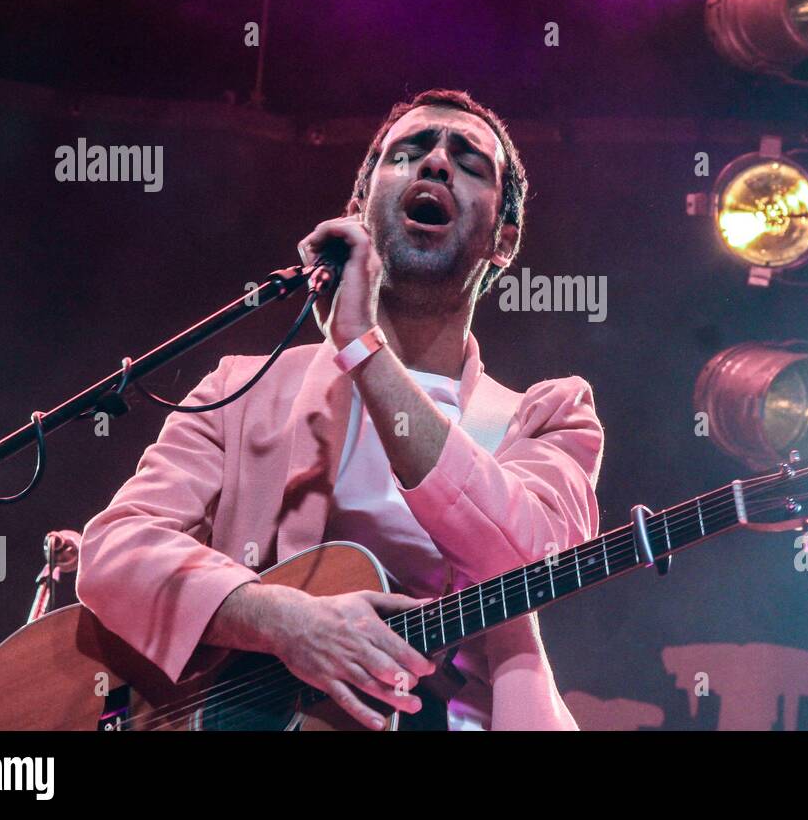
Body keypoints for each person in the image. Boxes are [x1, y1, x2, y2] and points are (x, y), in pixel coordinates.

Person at [77, 88, 604, 730]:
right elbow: (116, 550)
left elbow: (525, 562)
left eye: (468, 163)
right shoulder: (242, 390)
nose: (435, 163)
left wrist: (363, 348)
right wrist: (281, 621)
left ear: (504, 240)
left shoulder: (548, 418)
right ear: (358, 209)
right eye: (406, 154)